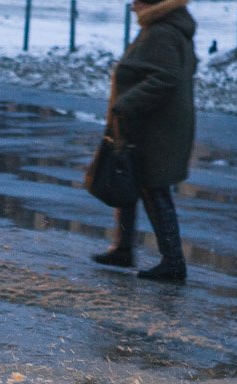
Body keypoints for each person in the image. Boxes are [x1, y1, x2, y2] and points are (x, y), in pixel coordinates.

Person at [91, 0, 196, 282]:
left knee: (153, 188)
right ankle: (123, 248)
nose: (132, 7)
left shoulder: (162, 32)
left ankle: (173, 262)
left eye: (137, 2)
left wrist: (127, 103)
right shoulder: (165, 29)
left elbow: (165, 77)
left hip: (154, 125)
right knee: (131, 179)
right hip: (151, 123)